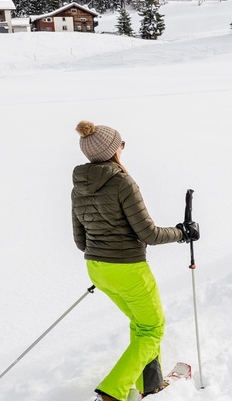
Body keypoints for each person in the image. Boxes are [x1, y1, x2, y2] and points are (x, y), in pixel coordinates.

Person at [72, 121, 199, 401]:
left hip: (97, 269)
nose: (123, 148)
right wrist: (183, 233)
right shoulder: (121, 182)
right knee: (153, 328)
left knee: (141, 324)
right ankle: (111, 393)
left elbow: (81, 241)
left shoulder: (78, 187)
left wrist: (104, 259)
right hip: (128, 270)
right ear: (113, 150)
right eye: (121, 144)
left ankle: (149, 385)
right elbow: (149, 234)